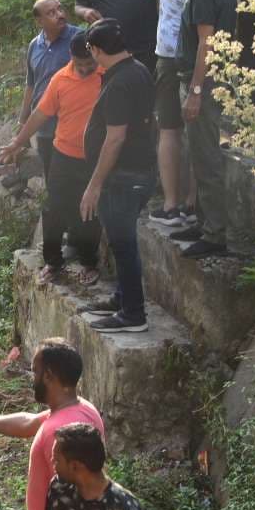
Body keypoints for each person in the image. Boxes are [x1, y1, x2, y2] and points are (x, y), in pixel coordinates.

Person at [152, 0, 244, 226]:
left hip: (173, 54)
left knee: (170, 130)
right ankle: (194, 205)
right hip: (202, 65)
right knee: (200, 136)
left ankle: (172, 204)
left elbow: (206, 38)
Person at [0, 338, 105, 510]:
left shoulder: (58, 433)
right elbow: (29, 423)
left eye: (35, 372)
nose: (32, 380)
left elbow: (74, 505)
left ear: (48, 376)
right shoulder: (82, 407)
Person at [0, 36, 104, 285]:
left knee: (88, 211)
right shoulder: (60, 80)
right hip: (64, 156)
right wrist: (17, 141)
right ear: (71, 57)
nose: (87, 69)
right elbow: (39, 115)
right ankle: (53, 261)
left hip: (94, 158)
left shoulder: (106, 73)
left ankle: (89, 261)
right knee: (54, 208)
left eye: (90, 64)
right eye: (82, 65)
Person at [167, 0, 242, 260]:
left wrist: (196, 90)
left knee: (207, 156)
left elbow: (206, 43)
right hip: (212, 78)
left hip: (206, 81)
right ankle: (203, 221)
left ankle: (214, 233)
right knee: (199, 152)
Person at [77, 20, 157, 334]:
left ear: (96, 50)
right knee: (120, 240)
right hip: (137, 171)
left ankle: (133, 314)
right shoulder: (136, 69)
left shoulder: (121, 82)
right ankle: (123, 298)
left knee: (123, 244)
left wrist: (94, 185)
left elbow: (115, 138)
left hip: (124, 175)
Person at [19, 0, 84, 178]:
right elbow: (31, 84)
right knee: (52, 177)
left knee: (77, 176)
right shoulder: (34, 45)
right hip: (44, 124)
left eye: (60, 9)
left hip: (72, 122)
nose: (60, 15)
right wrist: (23, 120)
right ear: (39, 21)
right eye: (51, 13)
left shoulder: (79, 39)